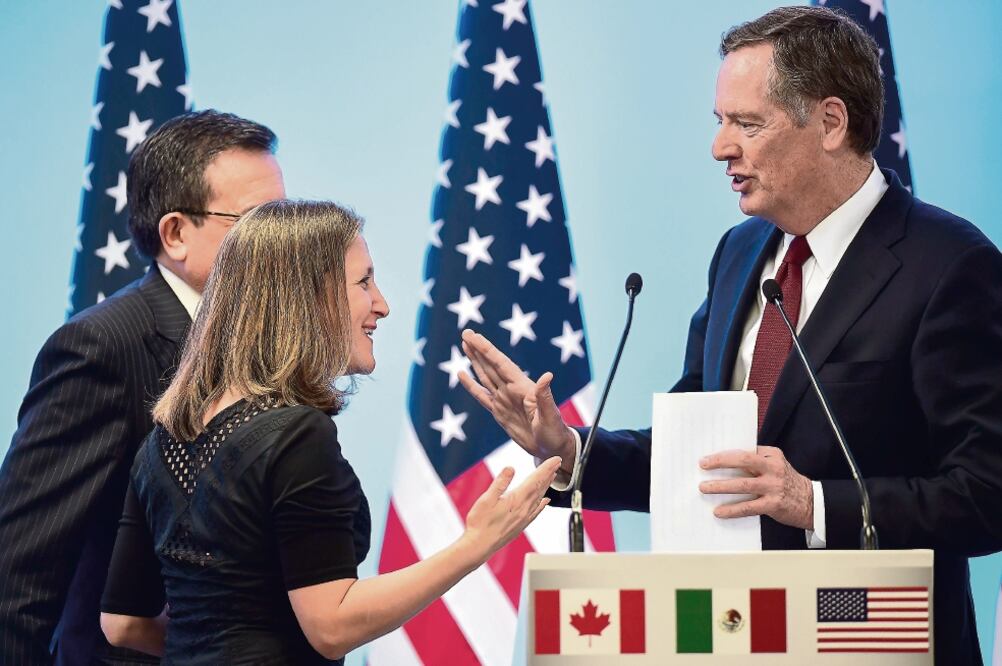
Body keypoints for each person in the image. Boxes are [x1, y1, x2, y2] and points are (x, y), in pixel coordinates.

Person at [458, 6, 1002, 664]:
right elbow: (697, 454)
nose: (721, 147)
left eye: (747, 124)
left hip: (870, 638)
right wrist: (570, 449)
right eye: (721, 122)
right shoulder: (741, 254)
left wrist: (815, 504)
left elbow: (986, 492)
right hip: (729, 637)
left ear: (831, 123)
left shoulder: (947, 264)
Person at [97, 199, 559, 664]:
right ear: (307, 297)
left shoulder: (161, 441)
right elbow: (332, 625)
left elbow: (123, 623)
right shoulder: (297, 434)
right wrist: (475, 544)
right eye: (363, 282)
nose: (382, 304)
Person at [0, 110, 286, 664]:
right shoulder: (101, 348)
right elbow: (17, 579)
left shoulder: (269, 344)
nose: (284, 242)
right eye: (257, 222)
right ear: (176, 233)